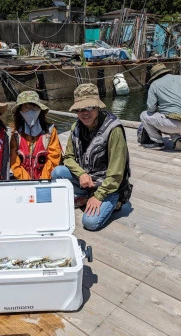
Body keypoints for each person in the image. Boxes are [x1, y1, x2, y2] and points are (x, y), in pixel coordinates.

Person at [51, 83, 131, 231]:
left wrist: (99, 196)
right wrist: (81, 174)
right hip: (88, 180)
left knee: (90, 222)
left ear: (98, 107)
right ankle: (85, 196)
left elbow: (116, 174)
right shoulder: (76, 127)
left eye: (89, 108)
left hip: (109, 186)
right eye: (80, 109)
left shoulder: (114, 130)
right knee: (58, 172)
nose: (84, 113)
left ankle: (115, 202)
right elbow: (68, 157)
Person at [140, 63, 181, 151]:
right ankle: (176, 138)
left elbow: (150, 108)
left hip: (172, 124)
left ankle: (157, 142)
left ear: (154, 76)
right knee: (167, 116)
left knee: (144, 115)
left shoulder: (154, 85)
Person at [10, 91, 62, 180]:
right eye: (26, 107)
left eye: (34, 106)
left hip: (46, 180)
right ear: (20, 111)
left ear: (40, 109)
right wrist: (26, 181)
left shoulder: (50, 132)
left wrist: (43, 180)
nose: (30, 110)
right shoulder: (15, 134)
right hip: (23, 182)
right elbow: (14, 162)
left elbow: (54, 158)